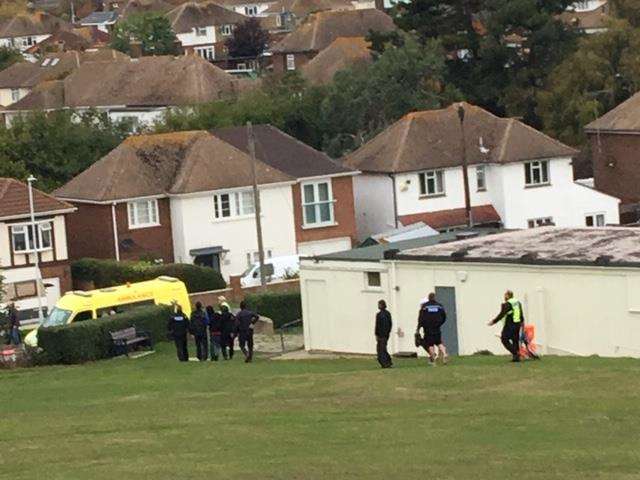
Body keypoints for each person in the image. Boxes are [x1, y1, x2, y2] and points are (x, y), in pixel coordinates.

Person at [488, 290, 524, 362]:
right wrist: (522, 322)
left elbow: (502, 314)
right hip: (518, 324)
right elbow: (521, 313)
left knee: (504, 339)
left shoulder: (507, 304)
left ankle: (516, 353)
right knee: (515, 340)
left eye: (505, 295)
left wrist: (493, 321)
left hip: (510, 324)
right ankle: (516, 358)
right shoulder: (518, 303)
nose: (504, 297)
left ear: (507, 296)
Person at [417, 293, 447, 365]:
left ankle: (433, 359)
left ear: (429, 298)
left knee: (430, 344)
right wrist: (440, 323)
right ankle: (445, 354)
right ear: (434, 297)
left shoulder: (425, 307)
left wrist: (418, 328)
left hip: (428, 328)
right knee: (439, 342)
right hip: (437, 327)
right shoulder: (439, 306)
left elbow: (421, 318)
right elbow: (444, 316)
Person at [375, 300, 393, 369]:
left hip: (381, 335)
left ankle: (385, 363)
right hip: (385, 334)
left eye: (379, 304)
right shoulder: (388, 313)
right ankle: (386, 361)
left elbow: (377, 325)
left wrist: (376, 334)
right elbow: (390, 324)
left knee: (381, 349)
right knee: (382, 348)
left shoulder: (379, 315)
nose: (378, 306)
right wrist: (388, 332)